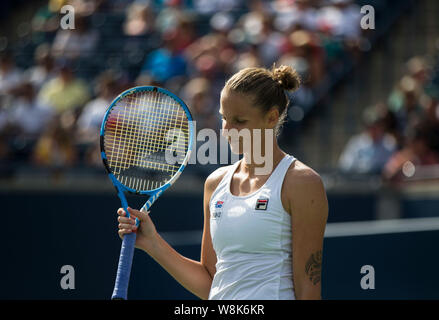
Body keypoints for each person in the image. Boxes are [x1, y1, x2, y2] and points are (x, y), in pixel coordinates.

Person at [116, 65, 329, 300]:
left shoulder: (301, 183)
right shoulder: (215, 183)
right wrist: (153, 244)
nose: (227, 130)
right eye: (224, 118)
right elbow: (210, 281)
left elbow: (308, 289)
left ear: (271, 118)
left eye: (239, 120)